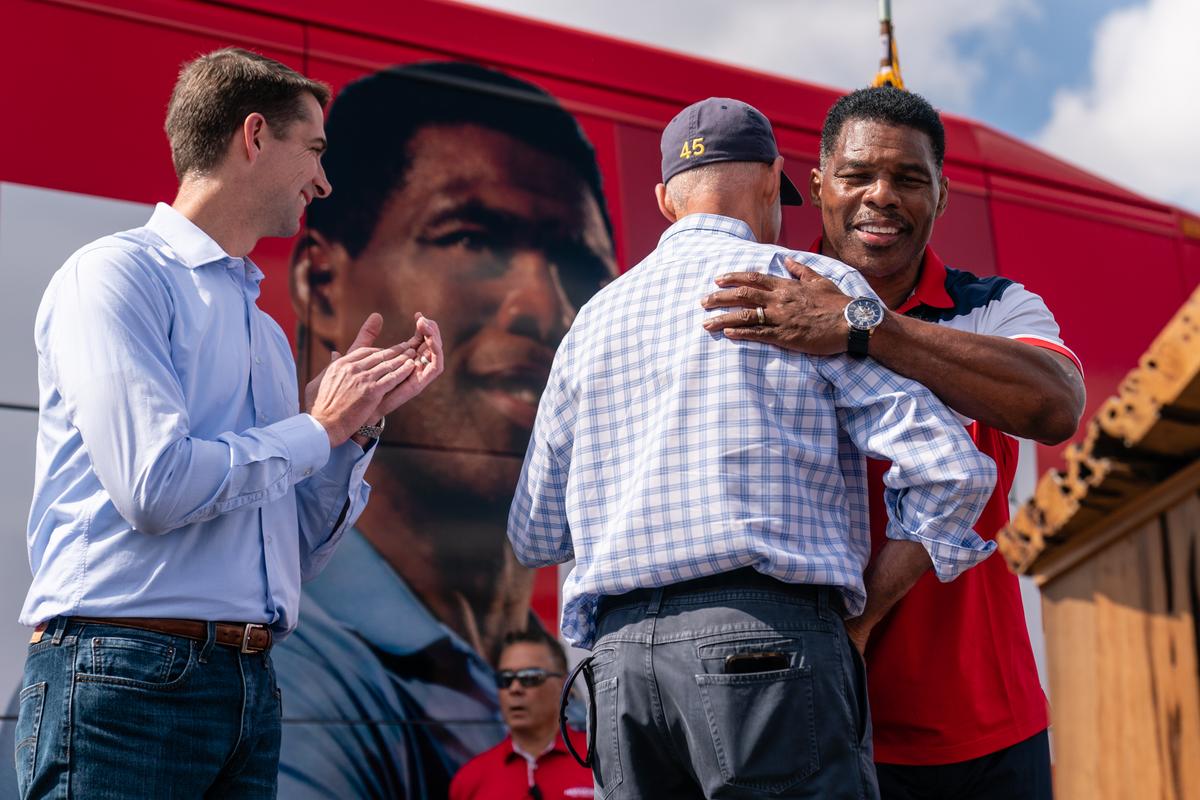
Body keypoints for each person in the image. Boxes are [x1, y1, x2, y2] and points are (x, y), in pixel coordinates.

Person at [509, 96, 999, 800]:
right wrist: (860, 618)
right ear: (773, 181)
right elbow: (952, 472)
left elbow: (534, 533)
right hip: (768, 643)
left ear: (664, 200)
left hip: (617, 671)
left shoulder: (591, 321)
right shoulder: (804, 288)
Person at [11, 48, 443, 799]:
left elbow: (285, 551)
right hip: (125, 679)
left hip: (243, 684)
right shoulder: (114, 276)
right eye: (313, 150)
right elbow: (156, 486)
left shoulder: (264, 333)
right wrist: (316, 429)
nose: (323, 181)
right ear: (253, 137)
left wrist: (355, 433)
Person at [701, 87, 1085, 800]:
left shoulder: (993, 307)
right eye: (857, 176)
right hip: (812, 719)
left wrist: (860, 324)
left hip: (983, 730)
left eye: (909, 179)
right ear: (817, 186)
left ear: (942, 194)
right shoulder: (759, 298)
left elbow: (1055, 405)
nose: (882, 196)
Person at [272, 61, 618, 799]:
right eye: (471, 239)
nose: (541, 304)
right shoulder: (280, 653)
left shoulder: (575, 682)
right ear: (322, 285)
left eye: (580, 265)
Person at [449, 630, 592, 800]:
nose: (515, 689)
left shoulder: (598, 762)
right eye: (506, 679)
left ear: (564, 685)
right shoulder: (470, 779)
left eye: (530, 677)